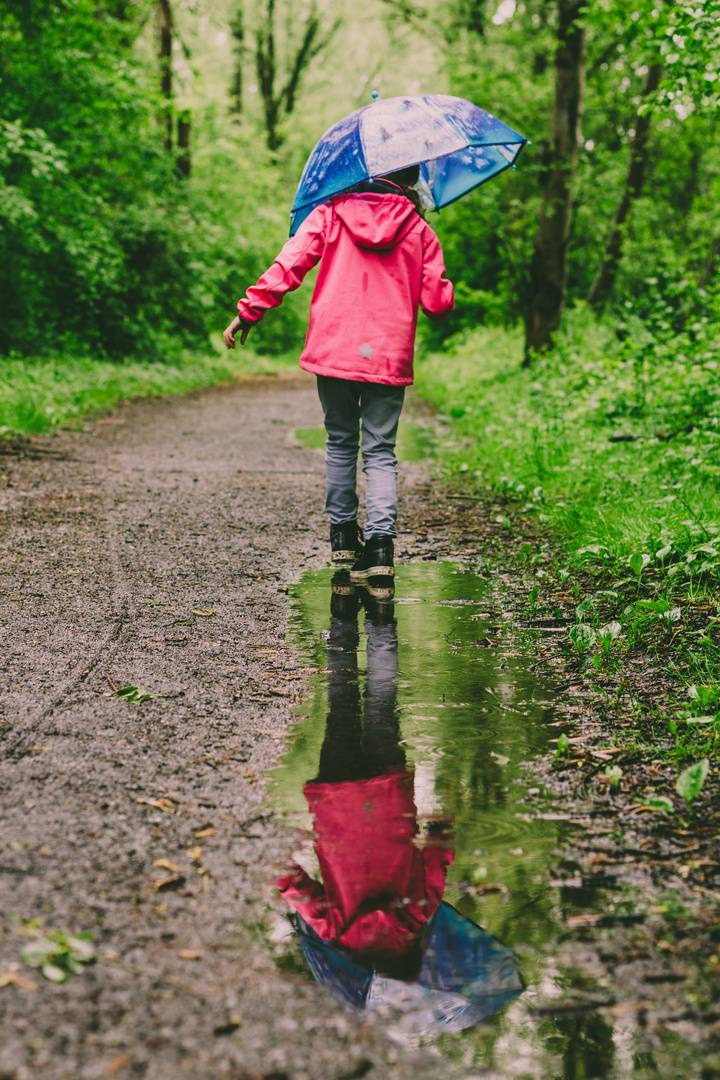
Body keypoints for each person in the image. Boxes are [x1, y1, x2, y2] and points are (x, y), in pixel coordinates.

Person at [223, 165, 454, 589]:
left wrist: (248, 310)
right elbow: (437, 303)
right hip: (387, 355)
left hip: (336, 347)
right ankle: (381, 548)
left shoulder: (329, 213)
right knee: (381, 450)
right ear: (409, 181)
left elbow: (288, 264)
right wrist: (444, 283)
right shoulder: (420, 231)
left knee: (341, 441)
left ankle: (344, 538)